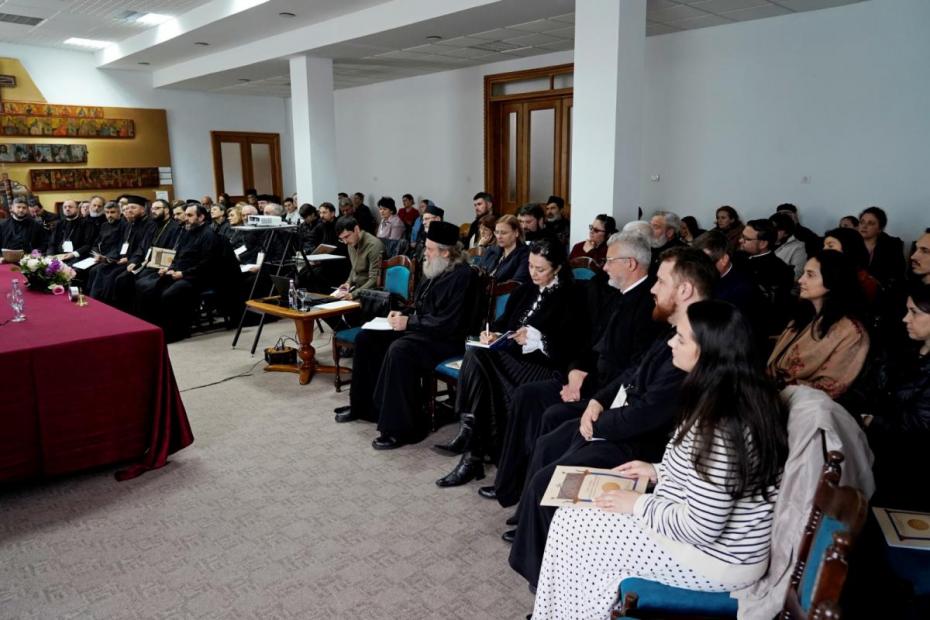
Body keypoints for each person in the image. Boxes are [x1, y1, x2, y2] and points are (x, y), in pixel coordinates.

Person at [532, 300, 788, 619]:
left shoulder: (721, 423)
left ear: (706, 353)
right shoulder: (728, 395)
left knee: (574, 529)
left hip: (715, 559)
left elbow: (702, 527)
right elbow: (710, 476)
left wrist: (637, 504)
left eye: (680, 339)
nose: (670, 343)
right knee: (572, 519)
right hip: (710, 541)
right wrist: (656, 470)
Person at [508, 247, 718, 588]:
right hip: (624, 419)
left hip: (643, 444)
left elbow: (651, 413)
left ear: (684, 290)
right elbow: (632, 372)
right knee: (550, 441)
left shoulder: (698, 340)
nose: (653, 288)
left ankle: (546, 578)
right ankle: (538, 544)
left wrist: (599, 421)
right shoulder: (673, 328)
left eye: (660, 281)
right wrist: (598, 402)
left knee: (551, 478)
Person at [485, 230, 661, 507]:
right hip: (587, 376)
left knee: (549, 413)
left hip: (608, 392)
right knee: (526, 396)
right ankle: (509, 486)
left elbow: (634, 370)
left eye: (609, 260)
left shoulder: (648, 306)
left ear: (630, 263)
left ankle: (533, 498)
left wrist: (593, 393)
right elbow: (588, 343)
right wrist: (575, 371)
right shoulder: (612, 291)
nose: (603, 267)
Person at [436, 239, 576, 487]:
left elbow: (569, 346)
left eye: (540, 269)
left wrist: (536, 339)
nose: (533, 273)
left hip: (541, 367)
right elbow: (502, 323)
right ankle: (472, 450)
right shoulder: (524, 290)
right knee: (476, 352)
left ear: (557, 268)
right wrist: (491, 334)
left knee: (478, 363)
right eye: (530, 266)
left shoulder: (570, 296)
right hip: (510, 359)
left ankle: (470, 442)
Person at [338, 221, 478, 449]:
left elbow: (449, 322)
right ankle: (363, 407)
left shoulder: (464, 276)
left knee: (400, 350)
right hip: (424, 330)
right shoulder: (435, 268)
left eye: (430, 249)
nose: (425, 253)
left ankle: (400, 429)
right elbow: (421, 305)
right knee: (367, 337)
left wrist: (409, 322)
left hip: (447, 339)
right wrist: (402, 314)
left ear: (446, 252)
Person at [767, 250, 870, 399]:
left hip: (803, 404)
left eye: (810, 275)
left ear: (832, 280)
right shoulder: (806, 314)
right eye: (804, 273)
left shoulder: (851, 331)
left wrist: (779, 385)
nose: (800, 280)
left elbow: (831, 387)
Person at [863, 284, 930, 510]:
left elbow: (920, 425)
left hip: (910, 470)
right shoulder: (909, 350)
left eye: (914, 312)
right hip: (883, 454)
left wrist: (872, 421)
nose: (905, 319)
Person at [133, 204, 220, 342]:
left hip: (197, 277)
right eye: (186, 215)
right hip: (179, 272)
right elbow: (178, 256)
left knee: (168, 294)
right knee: (146, 286)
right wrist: (169, 268)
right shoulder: (187, 232)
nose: (186, 218)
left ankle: (174, 332)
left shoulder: (209, 235)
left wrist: (183, 273)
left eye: (190, 215)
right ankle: (152, 329)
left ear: (201, 217)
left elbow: (207, 264)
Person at [738, 218, 796, 342]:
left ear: (763, 244)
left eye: (746, 239)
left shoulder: (779, 270)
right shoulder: (740, 257)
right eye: (742, 236)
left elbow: (771, 309)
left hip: (756, 331)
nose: (740, 241)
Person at [692, 230, 753, 313]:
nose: (697, 268)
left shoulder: (740, 290)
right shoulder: (708, 275)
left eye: (705, 262)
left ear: (724, 260)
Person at [823, 227, 881, 303]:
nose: (824, 250)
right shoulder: (824, 271)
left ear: (848, 249)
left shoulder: (864, 283)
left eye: (830, 246)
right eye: (824, 246)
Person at [333, 216, 384, 302]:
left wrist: (353, 295)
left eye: (346, 237)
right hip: (357, 289)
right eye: (342, 239)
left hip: (370, 293)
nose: (345, 242)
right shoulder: (351, 243)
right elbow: (354, 267)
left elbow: (374, 280)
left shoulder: (374, 245)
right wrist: (348, 283)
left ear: (356, 229)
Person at [859, 206, 906, 291]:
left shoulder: (892, 245)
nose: (864, 226)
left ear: (880, 229)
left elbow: (898, 274)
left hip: (882, 290)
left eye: (870, 223)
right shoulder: (851, 242)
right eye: (862, 222)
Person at [477, 214, 530, 284]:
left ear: (516, 233)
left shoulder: (525, 255)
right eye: (497, 232)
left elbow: (516, 283)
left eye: (504, 233)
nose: (499, 236)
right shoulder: (492, 250)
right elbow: (479, 271)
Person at [770, 211, 807, 280]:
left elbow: (796, 275)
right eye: (770, 228)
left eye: (777, 229)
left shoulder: (798, 247)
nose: (772, 231)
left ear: (786, 232)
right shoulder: (762, 241)